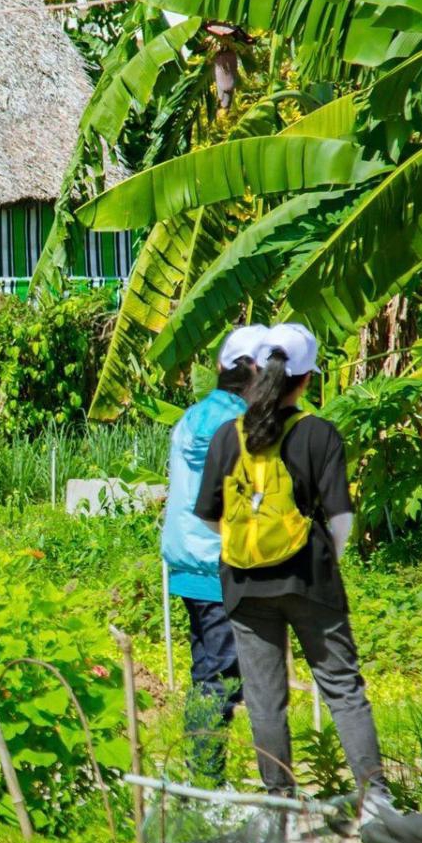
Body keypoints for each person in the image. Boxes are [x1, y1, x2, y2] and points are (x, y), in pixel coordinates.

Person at [192, 323, 391, 810]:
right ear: (306, 380)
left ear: (257, 371)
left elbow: (210, 516)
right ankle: (375, 799)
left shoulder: (227, 436)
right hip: (309, 581)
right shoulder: (318, 433)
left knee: (264, 699)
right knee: (342, 689)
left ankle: (280, 800)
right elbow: (342, 518)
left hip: (242, 584)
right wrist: (321, 561)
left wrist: (250, 549)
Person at [162, 324, 266, 787]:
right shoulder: (235, 425)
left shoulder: (195, 416)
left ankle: (202, 777)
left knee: (208, 671)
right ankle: (205, 782)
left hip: (190, 565)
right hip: (217, 566)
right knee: (220, 678)